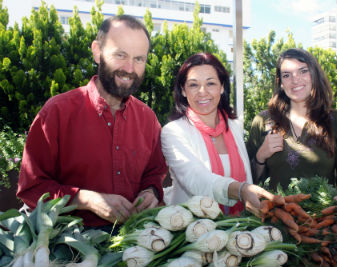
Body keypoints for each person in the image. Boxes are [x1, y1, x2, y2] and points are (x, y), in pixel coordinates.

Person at [17, 15, 167, 228]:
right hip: (70, 246)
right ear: (97, 51)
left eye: (139, 59)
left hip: (132, 243)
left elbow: (154, 173)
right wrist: (85, 200)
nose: (130, 68)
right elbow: (31, 189)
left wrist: (150, 191)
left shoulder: (148, 119)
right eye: (120, 55)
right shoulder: (57, 112)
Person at [161, 52, 276, 217]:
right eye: (193, 85)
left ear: (222, 87)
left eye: (211, 83)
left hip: (239, 228)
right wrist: (240, 190)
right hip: (191, 231)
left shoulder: (234, 126)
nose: (202, 92)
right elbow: (196, 179)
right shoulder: (173, 132)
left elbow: (247, 176)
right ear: (183, 90)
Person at [246, 48, 337, 200]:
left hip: (322, 218)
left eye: (303, 71)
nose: (295, 79)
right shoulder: (263, 121)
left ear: (314, 75)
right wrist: (260, 156)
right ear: (281, 83)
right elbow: (247, 182)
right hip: (274, 217)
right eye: (286, 75)